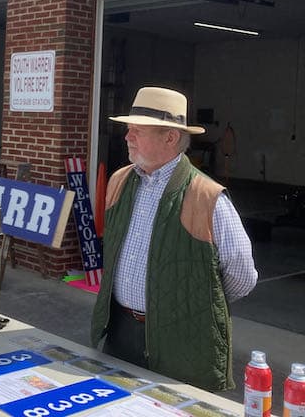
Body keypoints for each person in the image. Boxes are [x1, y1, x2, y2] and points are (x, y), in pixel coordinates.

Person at [91, 86, 257, 392]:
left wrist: (194, 303)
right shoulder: (119, 181)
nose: (127, 137)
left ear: (169, 138)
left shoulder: (207, 196)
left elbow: (242, 276)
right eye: (129, 130)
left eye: (137, 130)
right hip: (120, 331)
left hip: (181, 339)